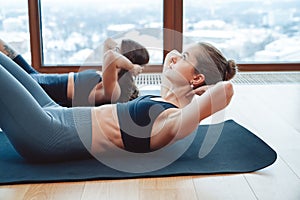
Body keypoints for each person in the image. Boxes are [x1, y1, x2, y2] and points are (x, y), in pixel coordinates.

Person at [0, 41, 236, 163]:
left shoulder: (172, 121)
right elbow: (169, 57)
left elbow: (225, 90)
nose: (174, 59)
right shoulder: (164, 98)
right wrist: (180, 60)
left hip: (49, 134)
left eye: (184, 58)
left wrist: (210, 88)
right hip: (56, 112)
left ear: (197, 78)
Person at [0, 38, 148, 106]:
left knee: (7, 69)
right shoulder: (111, 77)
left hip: (48, 89)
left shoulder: (115, 90)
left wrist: (130, 66)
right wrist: (124, 56)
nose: (116, 50)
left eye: (119, 51)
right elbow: (108, 43)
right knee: (10, 54)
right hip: (47, 82)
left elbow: (110, 56)